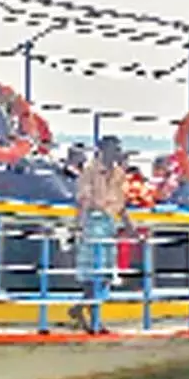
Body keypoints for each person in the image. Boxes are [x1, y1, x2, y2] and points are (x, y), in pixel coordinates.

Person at [69, 136, 134, 332]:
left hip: (109, 223)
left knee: (106, 273)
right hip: (93, 222)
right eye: (114, 148)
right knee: (92, 273)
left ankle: (81, 309)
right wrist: (78, 227)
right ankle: (93, 318)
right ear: (102, 150)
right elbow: (84, 201)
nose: (116, 152)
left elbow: (121, 204)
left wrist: (130, 227)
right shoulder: (89, 171)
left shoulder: (119, 174)